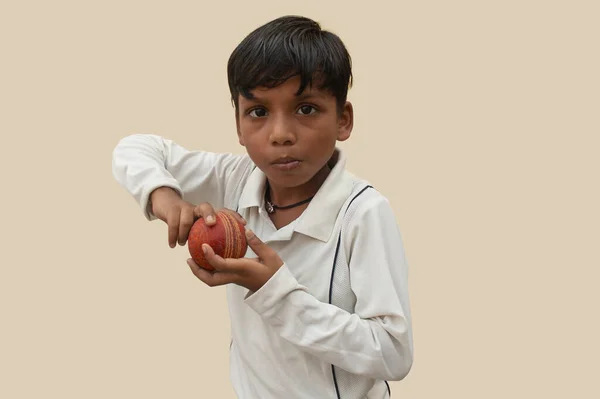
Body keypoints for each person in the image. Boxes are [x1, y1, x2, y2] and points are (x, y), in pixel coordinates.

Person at [112, 15, 413, 399]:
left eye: (306, 109)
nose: (280, 134)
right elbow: (134, 148)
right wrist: (163, 195)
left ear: (343, 119)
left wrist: (274, 291)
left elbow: (393, 352)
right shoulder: (237, 178)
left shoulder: (364, 213)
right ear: (238, 124)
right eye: (258, 112)